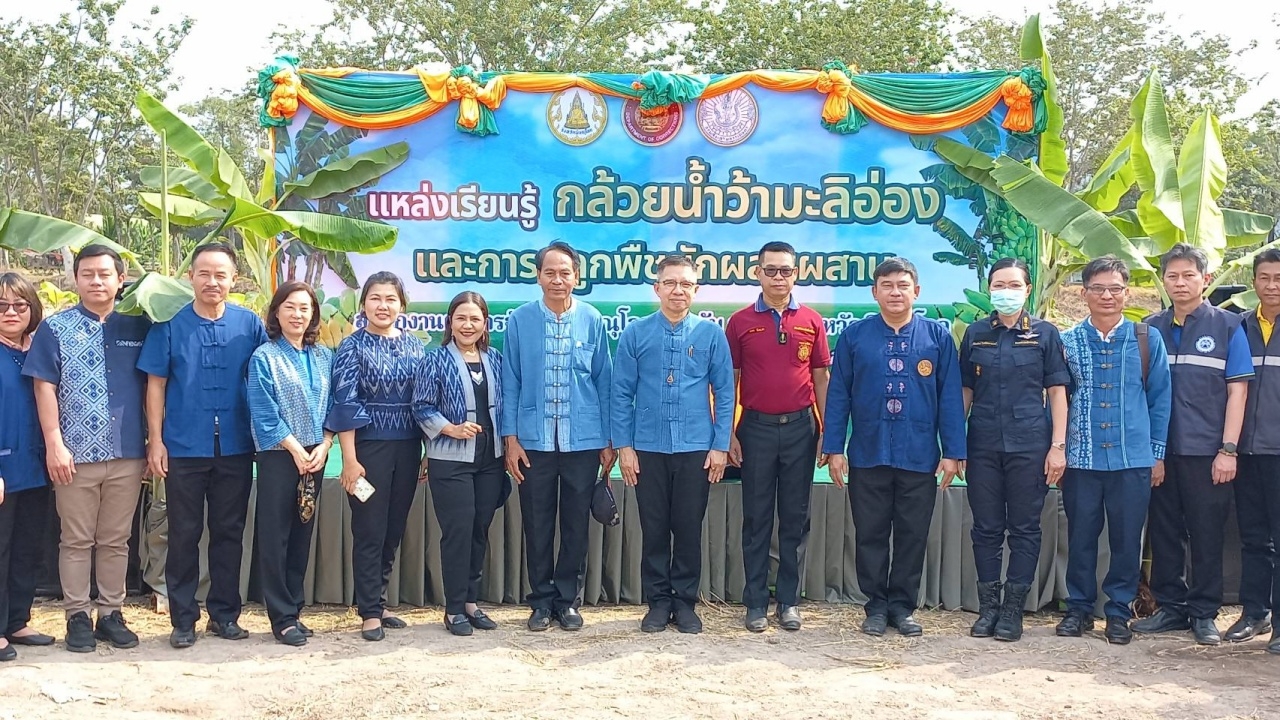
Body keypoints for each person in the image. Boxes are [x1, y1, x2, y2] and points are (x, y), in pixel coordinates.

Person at [823, 256, 966, 637]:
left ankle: (902, 607)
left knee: (911, 533)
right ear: (875, 292)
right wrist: (834, 447)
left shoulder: (937, 338)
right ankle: (875, 606)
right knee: (868, 533)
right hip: (868, 453)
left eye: (903, 285)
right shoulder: (855, 336)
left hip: (919, 455)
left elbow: (950, 398)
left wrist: (953, 452)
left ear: (916, 291)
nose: (895, 292)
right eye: (887, 285)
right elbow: (838, 395)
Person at [138, 242, 268, 649]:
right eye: (204, 274)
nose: (213, 282)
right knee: (184, 534)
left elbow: (267, 379)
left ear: (234, 279)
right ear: (191, 277)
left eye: (221, 274)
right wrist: (155, 441)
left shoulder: (250, 325)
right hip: (183, 447)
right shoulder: (170, 324)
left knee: (229, 532)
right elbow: (155, 385)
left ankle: (224, 615)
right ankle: (183, 619)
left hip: (236, 446)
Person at [24, 245, 151, 653]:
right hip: (74, 455)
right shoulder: (56, 329)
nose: (97, 281)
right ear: (75, 279)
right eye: (88, 274)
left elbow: (154, 386)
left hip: (128, 453)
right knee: (76, 539)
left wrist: (152, 443)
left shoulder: (139, 325)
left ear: (120, 278)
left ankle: (111, 613)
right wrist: (54, 444)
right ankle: (77, 615)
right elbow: (44, 385)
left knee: (116, 539)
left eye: (104, 274)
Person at [1134, 243, 1253, 645]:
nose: (1180, 283)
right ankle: (1172, 608)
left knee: (1206, 533)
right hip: (1160, 451)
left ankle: (1204, 612)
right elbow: (1142, 392)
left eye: (1188, 275)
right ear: (1164, 280)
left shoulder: (1229, 327)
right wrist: (1150, 451)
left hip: (1209, 454)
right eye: (1172, 275)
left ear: (1204, 279)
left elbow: (1237, 392)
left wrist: (1228, 450)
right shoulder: (1149, 329)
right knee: (1165, 532)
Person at [612, 255, 735, 634]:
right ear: (657, 288)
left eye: (685, 284)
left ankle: (684, 603)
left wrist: (719, 446)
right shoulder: (635, 333)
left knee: (686, 527)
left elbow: (726, 393)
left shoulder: (711, 335)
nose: (677, 290)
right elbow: (620, 393)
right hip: (647, 448)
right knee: (653, 526)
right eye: (670, 283)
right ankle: (657, 602)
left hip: (696, 448)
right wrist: (625, 448)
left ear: (696, 291)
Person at [1055, 255, 1171, 645]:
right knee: (1082, 536)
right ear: (1084, 293)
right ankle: (1079, 609)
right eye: (1098, 288)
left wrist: (1156, 454)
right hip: (1081, 459)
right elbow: (1057, 399)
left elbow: (1160, 400)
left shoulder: (1145, 338)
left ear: (1126, 293)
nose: (1107, 295)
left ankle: (1118, 613)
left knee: (1126, 540)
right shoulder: (1067, 341)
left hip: (1132, 460)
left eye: (1115, 289)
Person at [501, 241, 614, 632]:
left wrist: (608, 439)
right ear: (538, 276)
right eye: (550, 272)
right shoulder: (520, 320)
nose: (557, 280)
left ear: (577, 277)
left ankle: (568, 601)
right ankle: (540, 601)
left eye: (565, 273)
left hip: (582, 441)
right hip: (533, 442)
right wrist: (510, 438)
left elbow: (604, 382)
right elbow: (511, 381)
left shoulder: (592, 320)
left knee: (575, 525)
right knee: (537, 522)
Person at [959, 258, 1070, 641]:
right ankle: (988, 608)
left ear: (1027, 289)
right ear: (990, 289)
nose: (1005, 291)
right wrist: (956, 445)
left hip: (1030, 445)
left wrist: (1058, 447)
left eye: (1013, 285)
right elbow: (965, 393)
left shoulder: (1045, 334)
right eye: (998, 284)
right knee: (985, 528)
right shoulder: (975, 334)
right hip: (983, 444)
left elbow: (1057, 392)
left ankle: (1012, 611)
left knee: (1024, 529)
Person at [726, 240, 830, 633]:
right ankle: (755, 602)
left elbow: (821, 377)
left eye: (785, 270)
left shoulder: (812, 320)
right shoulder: (739, 322)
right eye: (770, 270)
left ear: (796, 273)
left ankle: (788, 600)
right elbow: (729, 380)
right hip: (754, 430)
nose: (778, 277)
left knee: (795, 518)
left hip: (802, 429)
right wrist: (728, 434)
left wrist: (828, 431)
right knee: (756, 519)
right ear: (758, 273)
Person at [327, 272, 426, 641]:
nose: (383, 306)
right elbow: (345, 403)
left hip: (408, 447)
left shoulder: (416, 347)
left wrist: (428, 450)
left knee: (393, 527)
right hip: (368, 451)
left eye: (390, 299)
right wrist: (349, 460)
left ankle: (380, 601)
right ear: (364, 303)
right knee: (369, 527)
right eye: (375, 298)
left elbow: (425, 402)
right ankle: (368, 611)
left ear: (402, 305)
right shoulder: (352, 347)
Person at [413, 291, 508, 636]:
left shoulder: (495, 359)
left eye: (475, 319)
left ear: (485, 324)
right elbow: (421, 406)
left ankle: (471, 602)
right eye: (460, 318)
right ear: (450, 323)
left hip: (490, 460)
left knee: (479, 529)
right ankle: (453, 608)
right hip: (450, 461)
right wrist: (449, 428)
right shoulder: (434, 360)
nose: (468, 325)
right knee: (458, 531)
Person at [247, 282, 334, 647]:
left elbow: (336, 407)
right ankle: (280, 616)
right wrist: (296, 449)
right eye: (290, 308)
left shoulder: (325, 357)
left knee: (302, 533)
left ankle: (295, 609)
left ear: (313, 314)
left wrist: (326, 444)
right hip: (280, 456)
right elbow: (264, 413)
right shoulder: (263, 357)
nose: (298, 315)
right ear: (277, 312)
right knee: (275, 536)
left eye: (305, 308)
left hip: (316, 454)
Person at [0, 273, 51, 661]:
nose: (11, 312)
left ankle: (17, 620)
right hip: (3, 470)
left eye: (20, 305)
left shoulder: (37, 350)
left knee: (27, 547)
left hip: (36, 465)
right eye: (2, 306)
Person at [1234, 246, 1280, 654]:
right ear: (1254, 283)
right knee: (1252, 538)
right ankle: (1254, 612)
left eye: (1279, 278)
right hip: (1245, 451)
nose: (1272, 286)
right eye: (1265, 278)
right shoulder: (1239, 327)